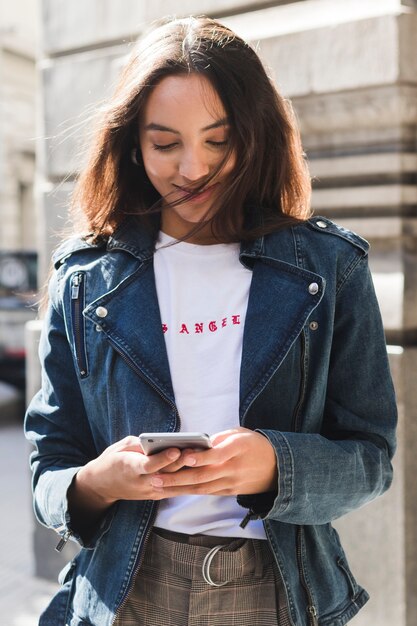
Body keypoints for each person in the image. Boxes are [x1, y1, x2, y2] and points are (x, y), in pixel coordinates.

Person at [25, 15, 397, 626]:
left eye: (218, 141)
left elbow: (371, 459)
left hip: (273, 595)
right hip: (125, 592)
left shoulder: (328, 269)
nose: (192, 168)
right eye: (165, 143)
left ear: (255, 136)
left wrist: (278, 464)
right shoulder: (86, 279)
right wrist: (100, 481)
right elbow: (48, 464)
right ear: (133, 144)